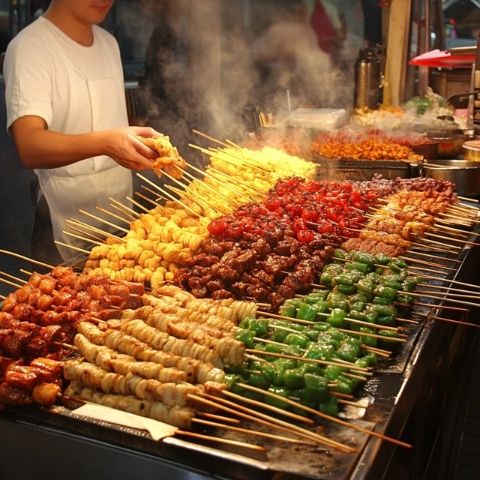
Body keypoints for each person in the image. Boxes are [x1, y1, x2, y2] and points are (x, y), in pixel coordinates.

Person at [3, 0, 161, 261]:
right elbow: (29, 146)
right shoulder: (29, 48)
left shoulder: (109, 44)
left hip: (120, 218)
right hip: (62, 226)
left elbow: (104, 117)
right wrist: (107, 143)